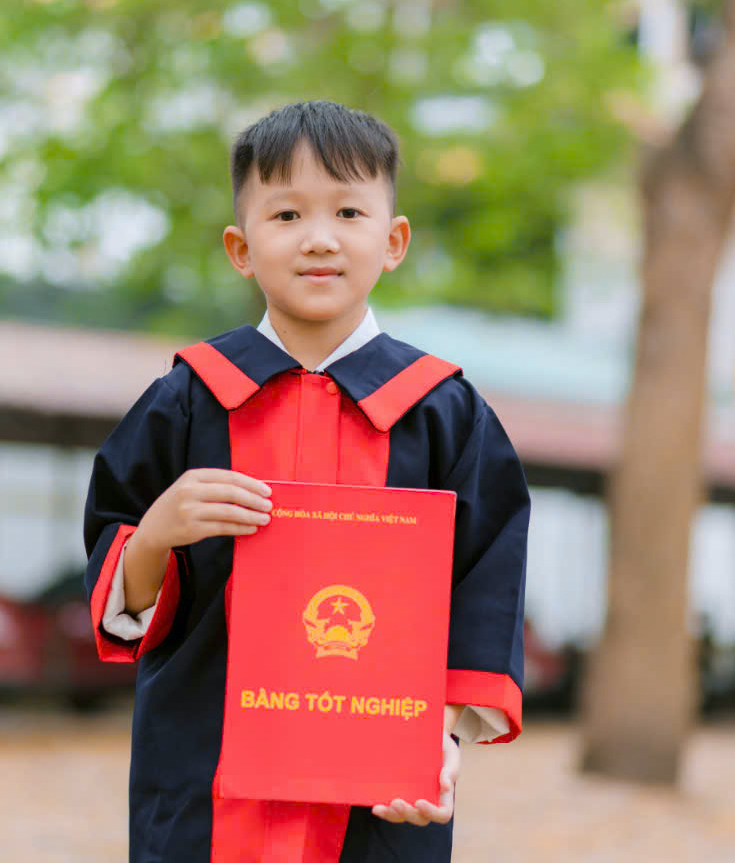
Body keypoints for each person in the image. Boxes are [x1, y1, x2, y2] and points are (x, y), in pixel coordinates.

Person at [84, 100, 530, 863]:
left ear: (392, 242)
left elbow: (486, 580)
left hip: (377, 790)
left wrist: (442, 732)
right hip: (206, 773)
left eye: (349, 211)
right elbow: (119, 585)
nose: (319, 238)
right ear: (240, 247)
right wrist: (156, 532)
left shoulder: (441, 410)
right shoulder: (188, 399)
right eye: (286, 213)